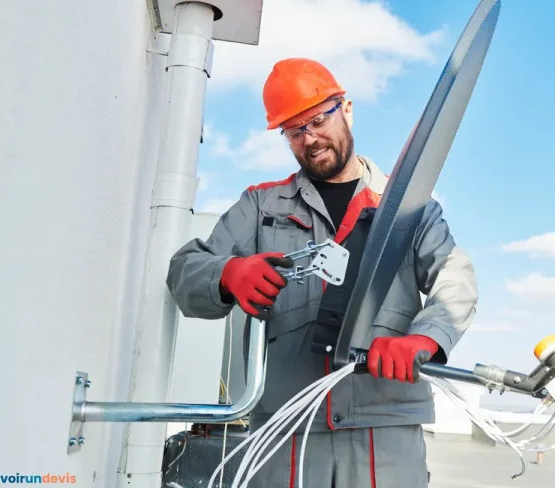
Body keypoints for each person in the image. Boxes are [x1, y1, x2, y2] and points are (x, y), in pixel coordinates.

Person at [166, 57, 478, 488]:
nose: (310, 139)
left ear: (345, 108)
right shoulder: (261, 207)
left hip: (383, 426)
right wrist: (227, 273)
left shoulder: (408, 208)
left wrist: (423, 337)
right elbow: (184, 270)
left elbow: (454, 277)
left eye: (317, 120)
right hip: (285, 426)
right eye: (294, 131)